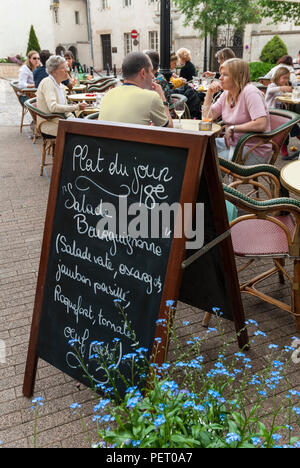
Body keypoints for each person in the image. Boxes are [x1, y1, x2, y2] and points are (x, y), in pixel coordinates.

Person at [203, 58, 272, 165]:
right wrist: (209, 94)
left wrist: (233, 128)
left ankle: (212, 181)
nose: (220, 78)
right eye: (220, 74)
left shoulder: (250, 92)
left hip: (253, 150)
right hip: (234, 144)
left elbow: (261, 123)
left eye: (225, 75)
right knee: (201, 147)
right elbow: (207, 118)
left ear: (237, 76)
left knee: (209, 163)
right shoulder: (227, 93)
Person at [98, 52, 173, 127]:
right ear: (143, 73)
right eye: (150, 71)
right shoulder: (151, 97)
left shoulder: (109, 94)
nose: (153, 76)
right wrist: (163, 98)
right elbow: (169, 130)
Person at [36, 55, 88, 137]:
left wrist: (75, 120)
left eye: (67, 67)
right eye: (63, 68)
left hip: (61, 121)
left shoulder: (60, 85)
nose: (67, 70)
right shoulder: (48, 82)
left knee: (87, 128)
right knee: (83, 133)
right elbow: (53, 107)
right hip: (50, 125)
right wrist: (76, 107)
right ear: (54, 71)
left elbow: (65, 109)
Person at [266, 66, 300, 159]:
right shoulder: (272, 86)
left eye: (287, 78)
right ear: (277, 77)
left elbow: (283, 96)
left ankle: (284, 148)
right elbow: (270, 91)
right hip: (272, 113)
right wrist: (282, 88)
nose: (286, 80)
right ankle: (283, 147)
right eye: (284, 78)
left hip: (280, 113)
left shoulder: (281, 87)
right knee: (289, 124)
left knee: (290, 123)